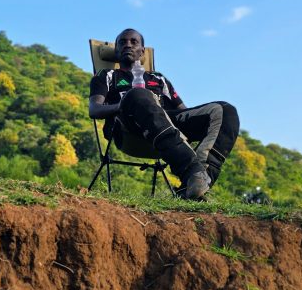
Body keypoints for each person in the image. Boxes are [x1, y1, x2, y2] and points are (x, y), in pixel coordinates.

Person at [88, 28, 239, 200]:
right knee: (139, 94)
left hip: (168, 126)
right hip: (129, 129)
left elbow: (183, 112)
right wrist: (125, 103)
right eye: (122, 42)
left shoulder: (158, 78)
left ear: (142, 51)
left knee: (225, 111)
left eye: (134, 42)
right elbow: (94, 109)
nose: (128, 45)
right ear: (116, 50)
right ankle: (191, 171)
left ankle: (195, 184)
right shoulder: (107, 75)